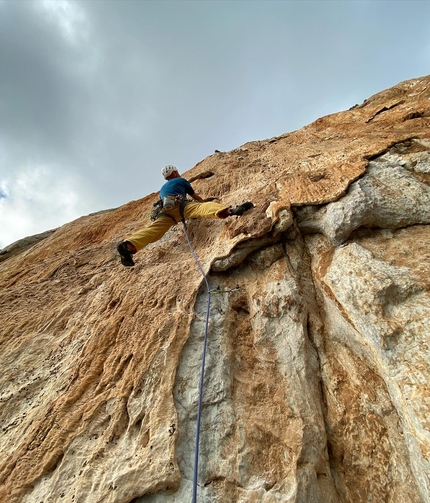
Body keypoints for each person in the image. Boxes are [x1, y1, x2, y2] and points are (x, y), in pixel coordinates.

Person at [117, 165, 253, 267]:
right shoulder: (181, 180)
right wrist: (203, 202)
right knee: (202, 208)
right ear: (175, 172)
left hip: (166, 210)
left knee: (155, 230)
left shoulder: (162, 189)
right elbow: (195, 197)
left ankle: (128, 245)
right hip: (180, 204)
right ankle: (230, 211)